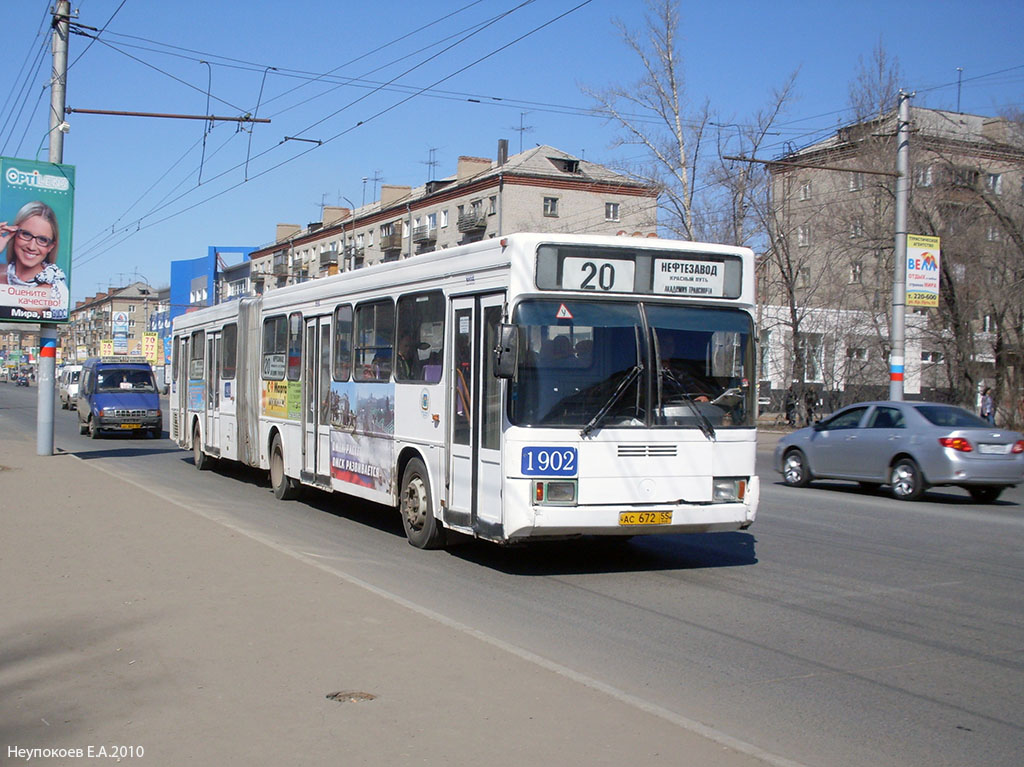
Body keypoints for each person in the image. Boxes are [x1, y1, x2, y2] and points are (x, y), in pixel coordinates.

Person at [0, 200, 68, 319]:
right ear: (14, 233)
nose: (31, 247)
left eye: (42, 240)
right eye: (26, 234)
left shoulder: (53, 289)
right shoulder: (2, 272)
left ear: (51, 246)